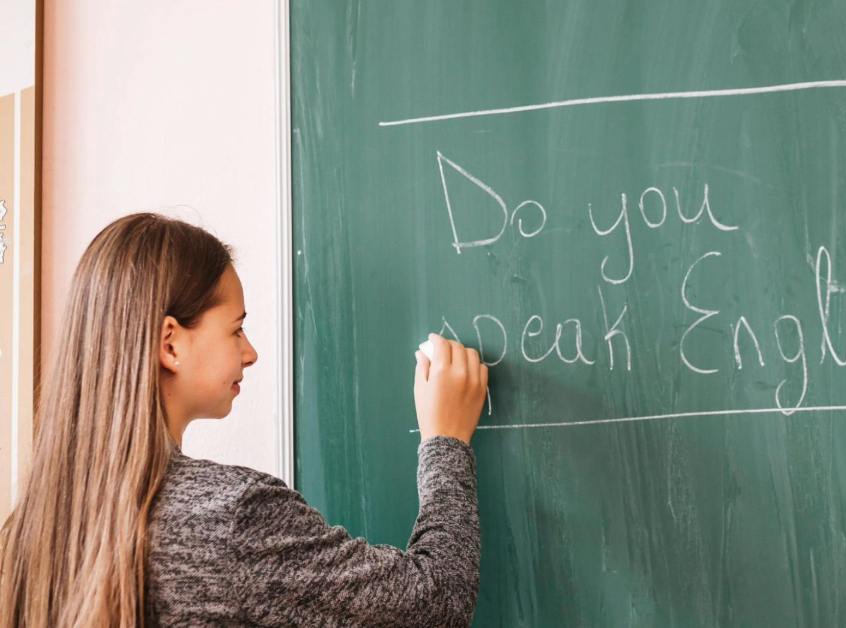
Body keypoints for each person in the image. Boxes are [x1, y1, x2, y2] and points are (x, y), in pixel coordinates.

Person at [0, 213, 487, 627]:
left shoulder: (26, 532)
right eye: (236, 330)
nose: (250, 353)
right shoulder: (232, 517)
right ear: (169, 343)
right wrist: (445, 440)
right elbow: (436, 601)